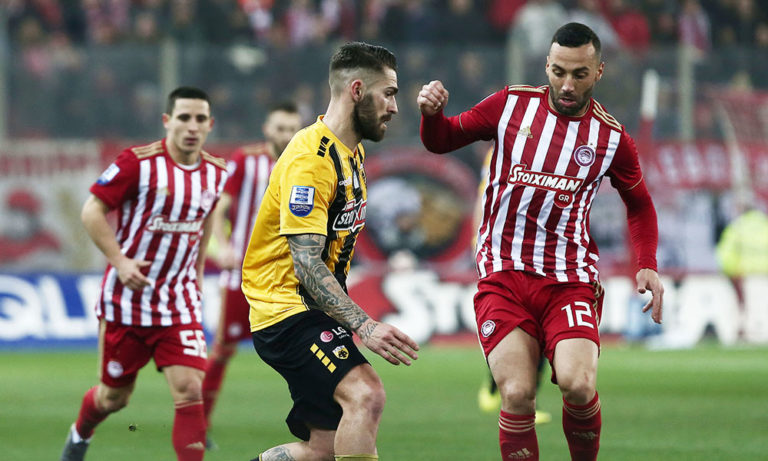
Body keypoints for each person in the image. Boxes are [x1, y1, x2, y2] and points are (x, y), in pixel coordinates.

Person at [418, 23, 664, 460]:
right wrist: (432, 115)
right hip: (504, 274)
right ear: (546, 65)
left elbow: (640, 205)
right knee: (516, 393)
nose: (567, 85)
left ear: (599, 72)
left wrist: (646, 263)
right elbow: (443, 139)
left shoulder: (611, 139)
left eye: (579, 74)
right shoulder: (509, 105)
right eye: (558, 72)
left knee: (578, 384)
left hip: (569, 280)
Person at [241, 41, 419, 461]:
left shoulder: (350, 152)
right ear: (357, 90)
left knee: (323, 449)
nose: (394, 107)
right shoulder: (311, 160)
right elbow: (305, 262)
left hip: (312, 310)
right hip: (286, 310)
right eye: (388, 93)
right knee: (366, 394)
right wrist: (366, 326)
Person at [60, 86, 228, 461]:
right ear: (167, 121)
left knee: (189, 390)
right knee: (113, 398)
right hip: (127, 302)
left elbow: (205, 224)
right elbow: (91, 211)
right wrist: (120, 261)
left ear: (210, 125)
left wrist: (197, 275)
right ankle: (81, 432)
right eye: (184, 117)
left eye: (200, 119)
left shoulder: (217, 173)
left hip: (178, 302)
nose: (192, 126)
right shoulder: (137, 163)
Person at [202, 101, 302, 447]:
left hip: (287, 279)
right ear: (267, 129)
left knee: (302, 350)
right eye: (280, 128)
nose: (286, 135)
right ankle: (198, 423)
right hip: (242, 276)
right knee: (223, 350)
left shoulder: (305, 162)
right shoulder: (247, 160)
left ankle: (315, 423)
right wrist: (223, 246)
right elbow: (219, 208)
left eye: (292, 128)